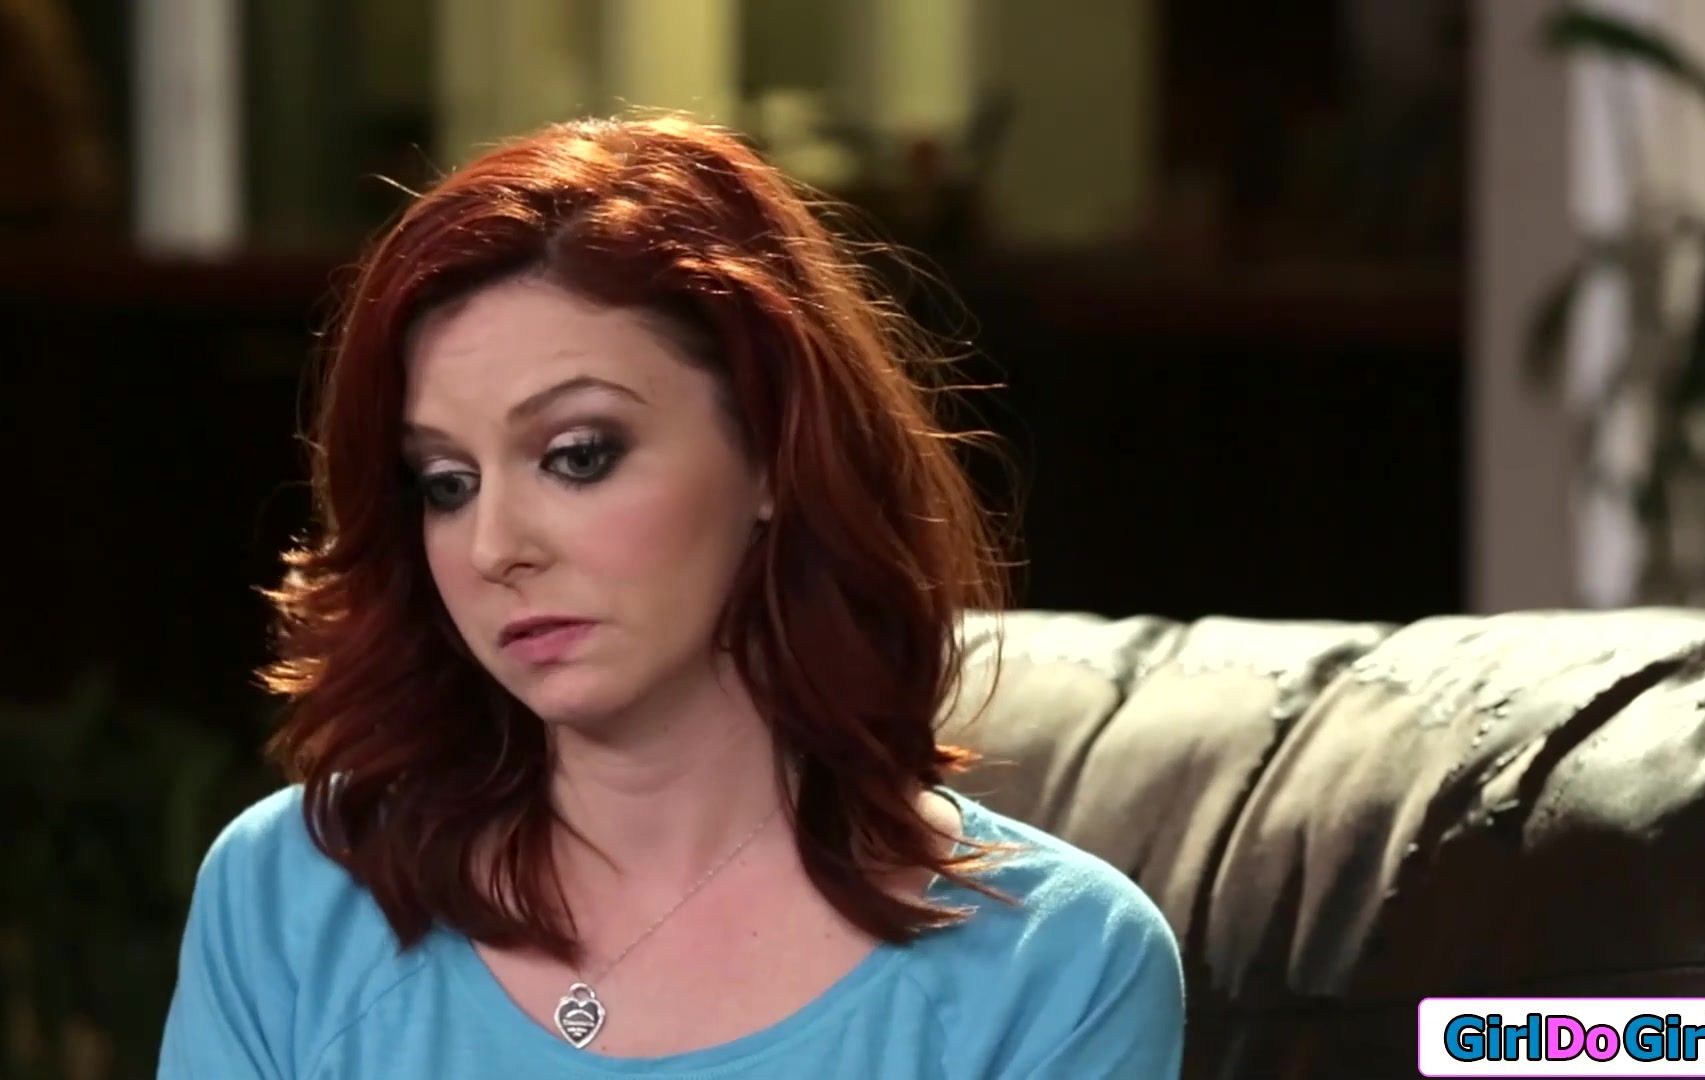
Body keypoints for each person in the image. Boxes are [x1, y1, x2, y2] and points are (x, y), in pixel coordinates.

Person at [157, 113, 1184, 1078]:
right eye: (446, 484)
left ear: (773, 450)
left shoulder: (1058, 966)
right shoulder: (294, 896)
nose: (495, 548)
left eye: (578, 455)